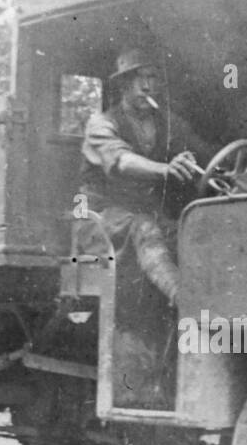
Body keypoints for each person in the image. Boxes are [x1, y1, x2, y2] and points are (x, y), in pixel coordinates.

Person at [73, 47, 214, 409]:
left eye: (153, 78)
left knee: (184, 232)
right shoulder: (101, 124)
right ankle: (187, 300)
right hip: (101, 220)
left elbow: (204, 150)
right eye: (141, 80)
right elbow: (120, 161)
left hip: (144, 215)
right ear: (124, 85)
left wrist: (243, 151)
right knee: (147, 229)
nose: (149, 86)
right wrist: (165, 170)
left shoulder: (166, 121)